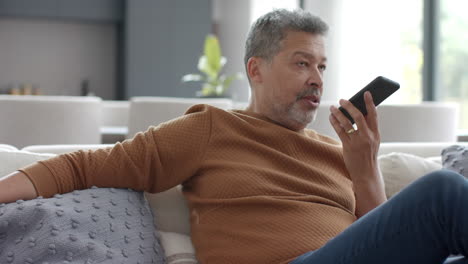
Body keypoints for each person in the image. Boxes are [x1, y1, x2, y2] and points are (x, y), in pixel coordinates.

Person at [1, 9, 468, 264]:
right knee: (442, 192)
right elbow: (82, 165)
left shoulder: (337, 150)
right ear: (256, 70)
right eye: (302, 63)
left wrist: (364, 167)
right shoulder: (212, 129)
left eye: (322, 66)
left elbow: (383, 245)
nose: (317, 80)